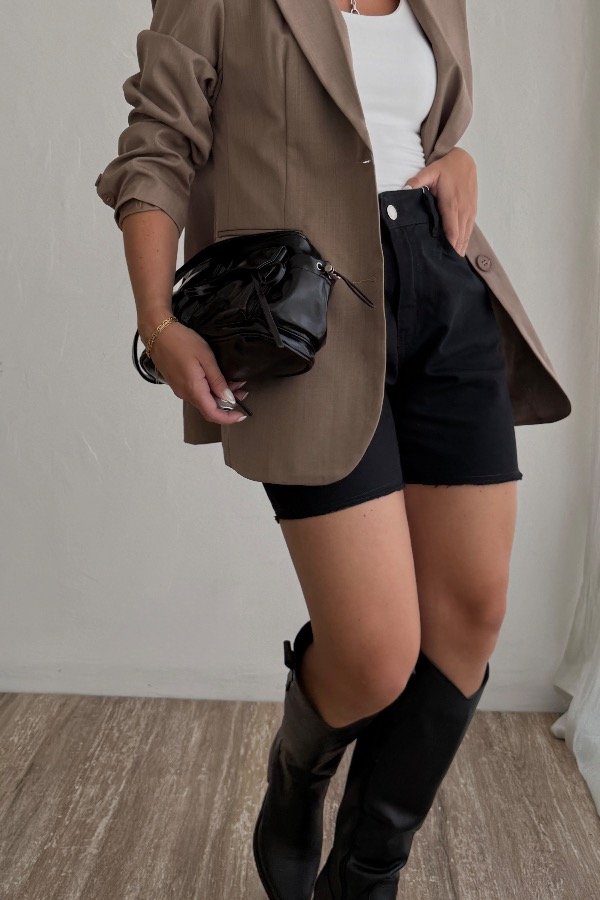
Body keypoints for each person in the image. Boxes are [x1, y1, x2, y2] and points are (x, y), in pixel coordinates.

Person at [94, 1, 572, 897]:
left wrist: (458, 158)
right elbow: (157, 145)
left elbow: (402, 128)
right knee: (376, 653)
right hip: (303, 315)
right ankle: (299, 769)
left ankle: (365, 878)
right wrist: (158, 320)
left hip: (443, 291)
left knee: (470, 615)